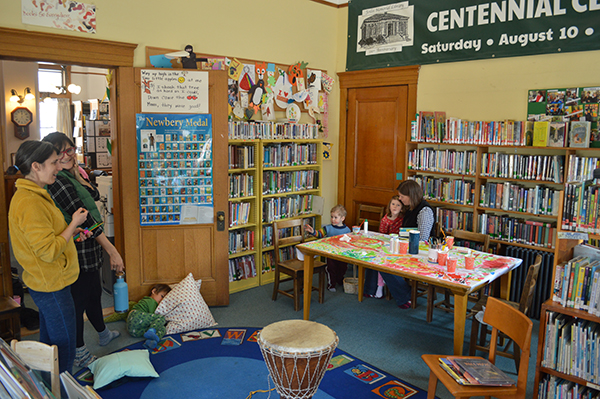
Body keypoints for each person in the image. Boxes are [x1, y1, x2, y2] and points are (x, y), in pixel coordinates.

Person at [8, 140, 92, 373]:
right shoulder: (30, 201)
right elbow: (46, 251)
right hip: (51, 283)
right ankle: (61, 389)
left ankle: (49, 388)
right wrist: (74, 222)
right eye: (54, 162)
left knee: (50, 344)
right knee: (64, 346)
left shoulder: (35, 194)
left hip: (50, 280)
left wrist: (71, 233)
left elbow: (47, 239)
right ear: (36, 166)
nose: (58, 167)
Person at [43, 132, 124, 367]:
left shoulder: (73, 174)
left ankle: (102, 332)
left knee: (93, 294)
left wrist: (79, 172)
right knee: (79, 300)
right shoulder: (58, 181)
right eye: (60, 152)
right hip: (77, 248)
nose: (67, 155)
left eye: (70, 149)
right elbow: (85, 217)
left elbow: (95, 194)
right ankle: (79, 350)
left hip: (90, 244)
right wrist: (112, 250)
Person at [380, 180, 436, 309]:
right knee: (379, 260)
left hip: (420, 251)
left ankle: (405, 295)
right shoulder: (411, 208)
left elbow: (422, 238)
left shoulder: (424, 210)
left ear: (411, 195)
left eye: (402, 196)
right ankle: (403, 294)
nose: (400, 199)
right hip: (407, 247)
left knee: (385, 264)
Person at [365, 196, 404, 298]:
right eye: (393, 204)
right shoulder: (385, 219)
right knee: (379, 261)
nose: (395, 207)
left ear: (402, 208)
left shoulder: (402, 220)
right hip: (385, 246)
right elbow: (381, 235)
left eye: (398, 205)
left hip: (397, 247)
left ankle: (383, 286)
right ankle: (379, 286)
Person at [305, 205, 351, 291]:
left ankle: (339, 279)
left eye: (335, 217)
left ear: (342, 218)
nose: (333, 219)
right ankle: (331, 284)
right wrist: (312, 231)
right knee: (331, 269)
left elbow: (349, 241)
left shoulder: (347, 230)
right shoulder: (328, 228)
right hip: (330, 254)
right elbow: (319, 234)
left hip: (342, 254)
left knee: (343, 268)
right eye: (331, 217)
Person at [126, 284, 172, 349]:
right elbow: (154, 314)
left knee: (163, 329)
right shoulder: (150, 300)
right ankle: (151, 331)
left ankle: (151, 341)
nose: (162, 301)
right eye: (162, 296)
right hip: (135, 315)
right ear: (154, 291)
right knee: (161, 318)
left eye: (164, 299)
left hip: (133, 331)